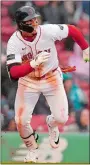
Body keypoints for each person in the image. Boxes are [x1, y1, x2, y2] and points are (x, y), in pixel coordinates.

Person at [6, 6, 89, 163]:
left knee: (62, 118)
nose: (35, 23)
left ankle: (52, 124)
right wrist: (32, 64)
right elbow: (14, 73)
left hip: (51, 77)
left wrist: (85, 47)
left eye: (35, 19)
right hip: (28, 81)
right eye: (30, 21)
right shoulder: (14, 42)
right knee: (20, 121)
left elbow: (72, 30)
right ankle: (32, 149)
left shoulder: (47, 31)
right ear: (21, 24)